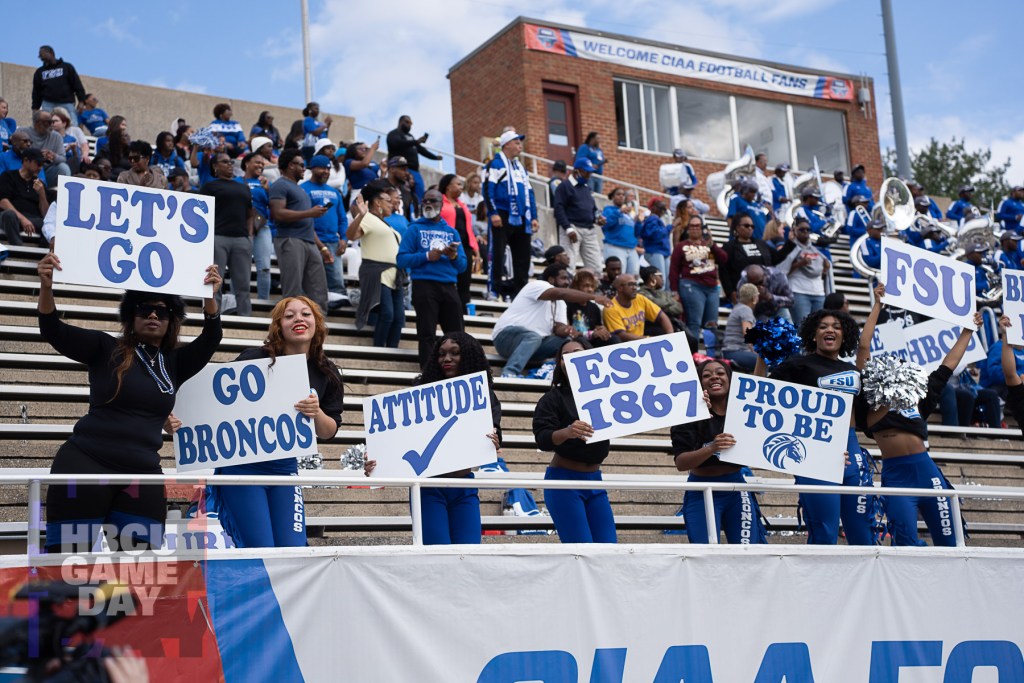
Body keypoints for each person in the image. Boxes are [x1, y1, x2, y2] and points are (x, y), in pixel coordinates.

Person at [36, 252, 221, 552]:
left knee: (139, 572)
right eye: (144, 309)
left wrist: (208, 297)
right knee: (66, 563)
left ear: (171, 321)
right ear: (130, 317)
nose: (152, 316)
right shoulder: (104, 347)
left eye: (161, 312)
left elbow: (211, 337)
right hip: (86, 465)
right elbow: (52, 329)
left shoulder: (175, 362)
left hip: (141, 474)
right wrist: (46, 287)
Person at [208, 297, 343, 548]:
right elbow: (216, 402)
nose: (299, 319)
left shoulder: (327, 372)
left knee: (293, 550)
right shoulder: (254, 358)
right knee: (261, 549)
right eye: (289, 316)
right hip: (243, 468)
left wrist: (317, 413)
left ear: (317, 323)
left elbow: (329, 431)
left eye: (306, 314)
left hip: (285, 470)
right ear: (278, 326)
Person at [856, 284, 981, 546]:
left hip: (927, 471)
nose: (897, 367)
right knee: (904, 541)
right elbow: (864, 346)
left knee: (950, 542)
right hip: (896, 475)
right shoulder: (870, 396)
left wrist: (968, 331)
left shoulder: (918, 396)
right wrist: (878, 305)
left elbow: (948, 364)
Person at [365, 332, 501, 545]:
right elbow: (397, 441)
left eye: (455, 353)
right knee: (437, 554)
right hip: (427, 488)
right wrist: (377, 459)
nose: (447, 359)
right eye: (441, 354)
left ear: (469, 357)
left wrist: (494, 441)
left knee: (470, 553)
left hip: (463, 486)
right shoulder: (420, 393)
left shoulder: (484, 395)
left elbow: (495, 434)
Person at [757, 308, 874, 546]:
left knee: (863, 534)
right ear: (812, 335)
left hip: (852, 452)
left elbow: (866, 419)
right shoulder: (796, 365)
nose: (830, 330)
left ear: (844, 336)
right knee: (824, 533)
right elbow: (760, 394)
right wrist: (762, 355)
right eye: (822, 326)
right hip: (815, 453)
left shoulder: (853, 371)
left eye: (836, 327)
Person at [671, 359, 768, 544]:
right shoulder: (688, 413)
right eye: (706, 375)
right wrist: (712, 448)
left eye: (720, 373)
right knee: (705, 555)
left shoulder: (743, 409)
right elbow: (681, 463)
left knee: (747, 555)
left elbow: (759, 386)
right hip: (700, 490)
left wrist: (762, 355)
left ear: (731, 380)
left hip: (737, 490)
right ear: (699, 384)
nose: (714, 377)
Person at [533, 338, 615, 543]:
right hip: (564, 483)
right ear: (559, 363)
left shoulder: (608, 393)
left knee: (609, 550)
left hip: (596, 481)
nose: (570, 358)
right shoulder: (552, 398)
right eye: (565, 356)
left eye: (577, 352)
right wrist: (567, 432)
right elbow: (542, 439)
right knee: (581, 551)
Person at [492, 263, 611, 377]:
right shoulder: (538, 285)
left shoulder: (561, 304)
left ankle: (557, 375)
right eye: (563, 278)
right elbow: (560, 293)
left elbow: (559, 328)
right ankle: (509, 372)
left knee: (567, 342)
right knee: (533, 337)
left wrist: (567, 330)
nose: (567, 282)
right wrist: (594, 297)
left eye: (568, 279)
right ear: (551, 279)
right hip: (505, 339)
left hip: (534, 346)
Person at [398, 188, 467, 367]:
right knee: (427, 333)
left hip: (449, 286)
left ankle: (458, 372)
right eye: (426, 201)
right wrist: (427, 256)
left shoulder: (452, 232)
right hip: (424, 285)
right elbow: (401, 259)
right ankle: (428, 372)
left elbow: (463, 266)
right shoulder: (414, 228)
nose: (428, 204)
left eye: (433, 201)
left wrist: (453, 256)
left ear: (441, 204)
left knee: (457, 334)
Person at [269, 149, 331, 314]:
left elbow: (308, 223)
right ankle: (289, 333)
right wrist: (309, 212)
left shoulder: (300, 189)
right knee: (293, 291)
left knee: (319, 290)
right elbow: (278, 214)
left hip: (309, 242)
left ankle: (318, 330)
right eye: (302, 165)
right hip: (290, 240)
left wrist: (322, 247)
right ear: (290, 165)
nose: (305, 169)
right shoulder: (280, 185)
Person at [350, 179, 406, 348]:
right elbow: (351, 235)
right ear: (377, 202)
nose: (393, 204)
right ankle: (380, 349)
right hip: (377, 272)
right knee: (387, 313)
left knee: (399, 317)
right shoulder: (367, 218)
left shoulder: (387, 224)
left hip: (394, 274)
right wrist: (360, 214)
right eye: (388, 201)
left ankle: (392, 350)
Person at [483, 129, 538, 300]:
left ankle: (519, 294)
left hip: (522, 217)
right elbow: (487, 189)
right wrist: (493, 212)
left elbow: (530, 192)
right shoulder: (496, 164)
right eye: (516, 142)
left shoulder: (521, 168)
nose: (520, 145)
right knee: (498, 254)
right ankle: (494, 290)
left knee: (523, 257)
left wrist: (534, 216)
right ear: (506, 144)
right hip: (502, 214)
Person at [201, 151, 254, 316]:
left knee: (243, 284)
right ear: (215, 166)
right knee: (214, 281)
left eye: (231, 162)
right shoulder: (210, 186)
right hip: (218, 238)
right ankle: (212, 316)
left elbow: (250, 214)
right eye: (224, 162)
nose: (229, 164)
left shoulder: (243, 187)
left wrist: (249, 236)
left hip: (241, 239)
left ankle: (246, 318)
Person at [301, 155, 349, 309]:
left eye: (328, 169)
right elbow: (304, 218)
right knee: (311, 279)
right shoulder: (303, 188)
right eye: (322, 168)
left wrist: (344, 239)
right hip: (310, 242)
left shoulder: (335, 193)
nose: (326, 171)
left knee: (336, 282)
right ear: (313, 169)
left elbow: (342, 218)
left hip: (333, 242)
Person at [670, 214, 727, 340]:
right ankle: (693, 356)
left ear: (702, 228)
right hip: (691, 285)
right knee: (694, 322)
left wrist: (712, 245)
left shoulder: (709, 245)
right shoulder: (681, 246)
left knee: (712, 324)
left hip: (712, 287)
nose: (695, 228)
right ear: (688, 229)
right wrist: (674, 291)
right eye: (692, 226)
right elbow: (674, 269)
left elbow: (724, 259)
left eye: (698, 226)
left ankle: (710, 357)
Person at [553, 158, 604, 272]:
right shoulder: (564, 186)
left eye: (590, 172)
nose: (589, 175)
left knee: (596, 267)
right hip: (572, 228)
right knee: (568, 265)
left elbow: (593, 209)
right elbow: (558, 209)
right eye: (586, 171)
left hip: (589, 230)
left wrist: (597, 218)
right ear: (576, 171)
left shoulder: (586, 188)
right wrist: (568, 229)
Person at [439, 173, 480, 311]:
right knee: (449, 279)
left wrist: (476, 250)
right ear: (448, 187)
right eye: (457, 184)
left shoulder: (462, 205)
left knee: (465, 281)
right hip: (448, 246)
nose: (461, 187)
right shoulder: (440, 204)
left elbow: (469, 228)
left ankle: (463, 310)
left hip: (465, 247)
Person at [720, 213, 782, 304]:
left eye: (752, 226)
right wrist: (730, 293)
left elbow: (777, 258)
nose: (750, 228)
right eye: (746, 225)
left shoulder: (761, 244)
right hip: (745, 295)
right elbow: (723, 271)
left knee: (784, 317)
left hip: (766, 292)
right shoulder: (729, 247)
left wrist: (791, 243)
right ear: (737, 227)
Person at [779, 217, 829, 327]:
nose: (805, 232)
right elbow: (781, 272)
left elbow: (821, 274)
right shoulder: (789, 248)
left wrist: (825, 269)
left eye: (808, 229)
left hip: (818, 292)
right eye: (802, 229)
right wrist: (799, 264)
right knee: (802, 328)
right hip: (798, 292)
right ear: (794, 231)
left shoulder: (817, 251)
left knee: (818, 328)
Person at [238, 153, 273, 301]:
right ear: (246, 164)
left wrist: (267, 190)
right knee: (239, 268)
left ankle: (263, 301)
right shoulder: (236, 181)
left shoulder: (265, 183)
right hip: (240, 227)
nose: (260, 165)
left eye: (262, 163)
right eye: (257, 162)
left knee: (264, 267)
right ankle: (238, 300)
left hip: (262, 227)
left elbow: (274, 207)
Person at [386, 115, 441, 203]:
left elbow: (421, 149)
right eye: (407, 122)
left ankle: (418, 211)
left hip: (415, 171)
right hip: (402, 169)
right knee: (403, 193)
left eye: (411, 123)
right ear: (401, 122)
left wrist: (434, 157)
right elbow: (396, 143)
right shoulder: (394, 134)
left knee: (420, 194)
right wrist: (416, 142)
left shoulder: (410, 136)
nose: (409, 125)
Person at [603, 274, 672, 341]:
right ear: (620, 288)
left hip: (641, 339)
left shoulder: (639, 298)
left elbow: (661, 316)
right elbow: (621, 335)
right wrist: (648, 339)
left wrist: (670, 336)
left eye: (635, 284)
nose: (635, 288)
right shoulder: (610, 308)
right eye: (630, 285)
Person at [0, 148, 47, 246]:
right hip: (12, 218)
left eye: (42, 165)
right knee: (9, 214)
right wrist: (23, 219)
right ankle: (18, 249)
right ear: (26, 161)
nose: (40, 168)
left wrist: (42, 194)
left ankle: (43, 253)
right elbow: (3, 202)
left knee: (49, 223)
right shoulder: (8, 176)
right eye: (38, 163)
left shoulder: (40, 184)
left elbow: (46, 214)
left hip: (33, 219)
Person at [566, 270, 615, 346]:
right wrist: (591, 334)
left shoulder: (594, 307)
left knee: (612, 338)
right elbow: (569, 332)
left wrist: (602, 330)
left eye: (592, 286)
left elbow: (598, 326)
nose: (590, 289)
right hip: (575, 342)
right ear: (576, 287)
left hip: (592, 340)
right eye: (586, 286)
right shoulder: (567, 305)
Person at [20, 110, 69, 186]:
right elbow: (15, 152)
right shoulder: (22, 133)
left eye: (52, 122)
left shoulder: (56, 136)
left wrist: (54, 156)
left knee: (63, 168)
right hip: (27, 170)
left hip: (47, 171)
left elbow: (63, 158)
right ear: (38, 123)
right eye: (49, 122)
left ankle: (62, 195)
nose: (52, 125)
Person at [32, 45, 86, 113]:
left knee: (72, 123)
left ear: (51, 53)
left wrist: (81, 101)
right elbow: (36, 92)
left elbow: (77, 84)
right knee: (48, 123)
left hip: (66, 103)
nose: (41, 57)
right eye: (39, 56)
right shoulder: (39, 72)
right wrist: (35, 107)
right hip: (48, 105)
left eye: (42, 54)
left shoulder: (66, 67)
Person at [720, 283, 759, 372]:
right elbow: (748, 334)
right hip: (735, 352)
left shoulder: (737, 307)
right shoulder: (746, 310)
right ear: (753, 298)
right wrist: (757, 352)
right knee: (762, 362)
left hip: (730, 351)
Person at [601, 187, 639, 275]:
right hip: (615, 247)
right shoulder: (608, 210)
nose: (621, 196)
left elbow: (635, 232)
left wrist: (639, 222)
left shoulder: (629, 214)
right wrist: (619, 212)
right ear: (612, 197)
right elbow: (607, 224)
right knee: (618, 276)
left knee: (634, 276)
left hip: (631, 248)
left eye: (623, 195)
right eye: (618, 194)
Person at [638, 199, 672, 281]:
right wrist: (670, 227)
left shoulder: (658, 220)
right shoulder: (652, 219)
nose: (663, 211)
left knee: (668, 280)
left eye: (664, 209)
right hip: (655, 251)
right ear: (653, 208)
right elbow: (656, 235)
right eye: (661, 208)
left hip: (663, 252)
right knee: (660, 280)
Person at [50, 107, 88, 171]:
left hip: (71, 165)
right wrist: (66, 150)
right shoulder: (49, 138)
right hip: (57, 166)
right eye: (51, 121)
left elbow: (77, 158)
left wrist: (73, 150)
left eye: (56, 121)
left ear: (64, 123)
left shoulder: (71, 139)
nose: (53, 123)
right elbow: (51, 157)